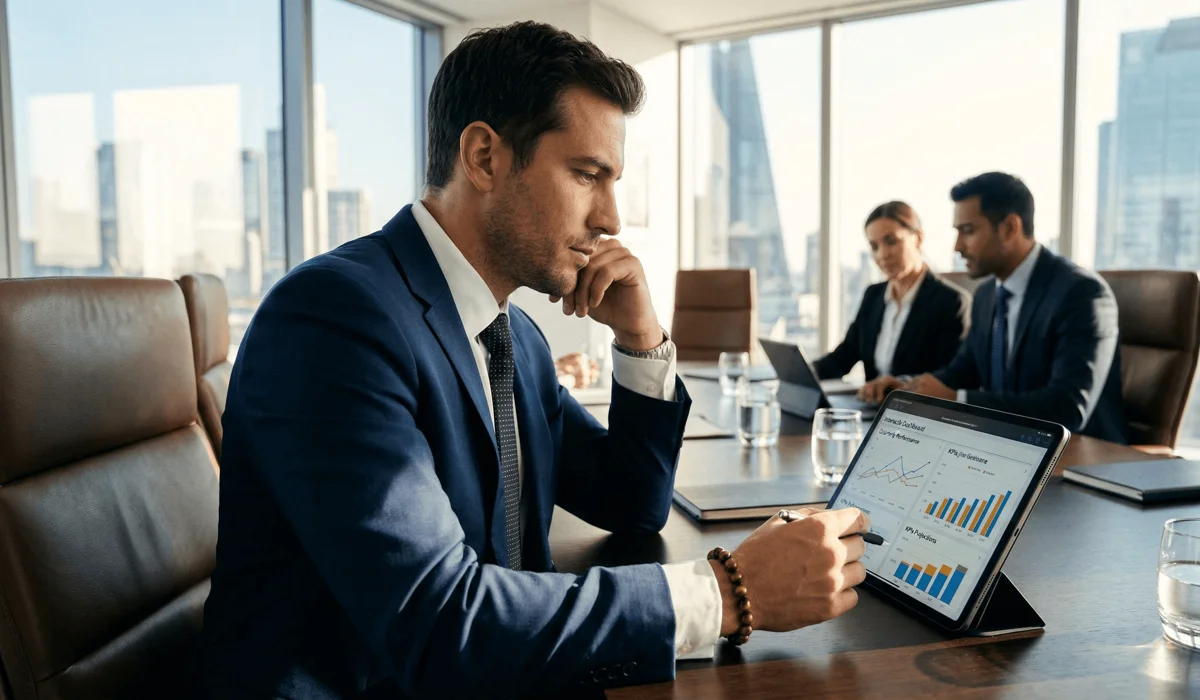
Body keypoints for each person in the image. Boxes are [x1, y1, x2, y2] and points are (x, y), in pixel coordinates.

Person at [194, 22, 868, 699]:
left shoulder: (512, 333)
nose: (611, 218)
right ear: (485, 157)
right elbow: (437, 623)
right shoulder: (334, 317)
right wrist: (726, 592)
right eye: (586, 175)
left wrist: (640, 339)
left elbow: (629, 501)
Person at [886, 172, 1125, 442]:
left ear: (1011, 227)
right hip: (1011, 447)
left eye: (968, 231)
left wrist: (957, 400)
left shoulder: (1081, 293)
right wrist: (907, 385)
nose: (957, 246)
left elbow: (1067, 408)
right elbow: (963, 371)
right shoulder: (987, 294)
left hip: (1082, 459)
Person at [813, 201, 970, 402]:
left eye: (891, 241)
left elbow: (951, 376)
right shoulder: (873, 296)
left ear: (918, 238)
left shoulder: (950, 301)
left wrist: (903, 383)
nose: (883, 254)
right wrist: (801, 372)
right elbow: (843, 357)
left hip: (917, 414)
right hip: (873, 409)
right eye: (874, 246)